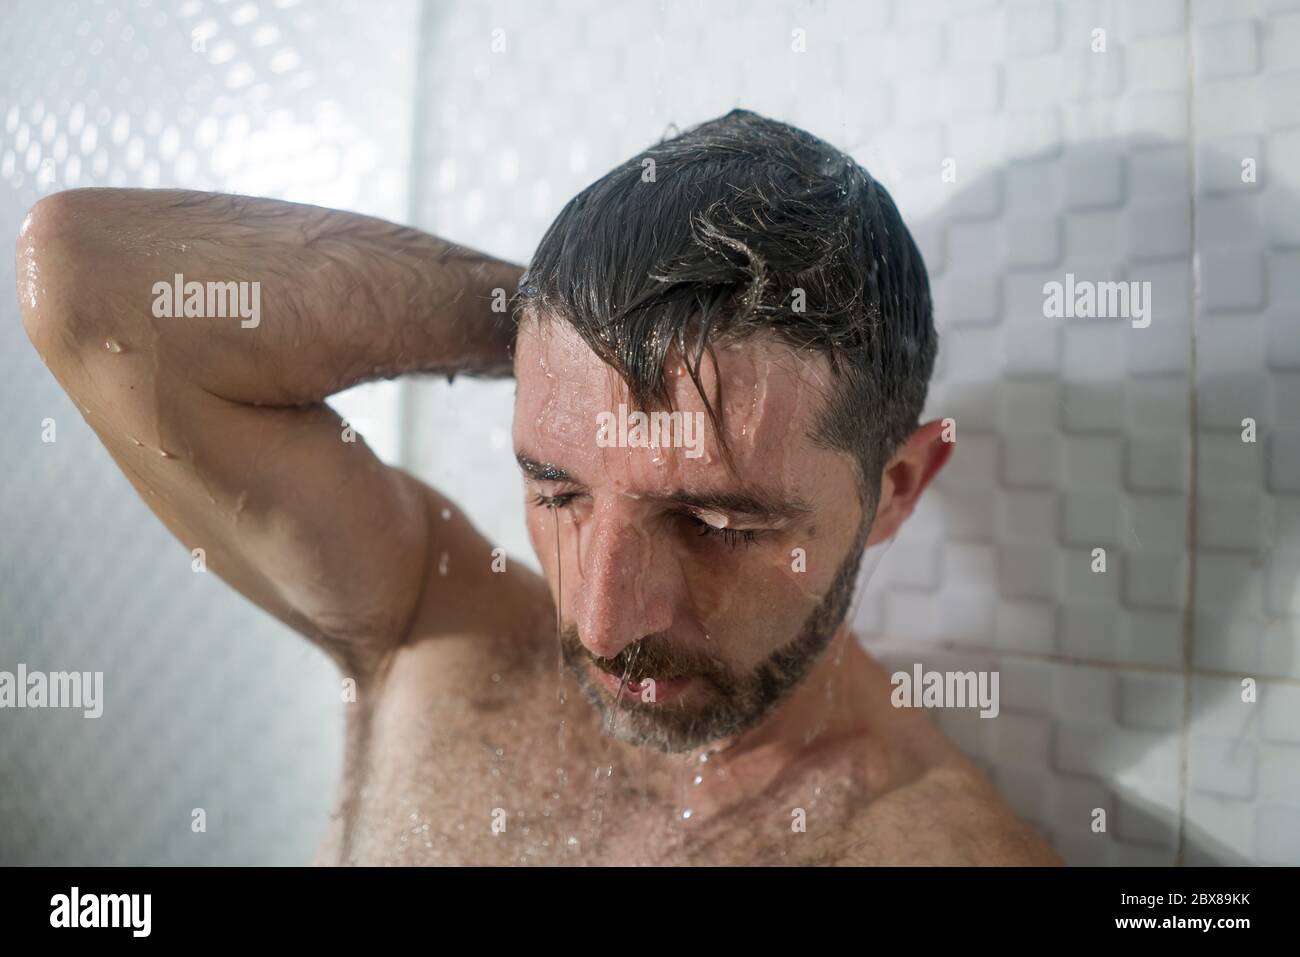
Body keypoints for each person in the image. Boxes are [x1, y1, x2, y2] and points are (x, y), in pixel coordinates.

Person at [16, 109, 1060, 865]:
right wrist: (546, 324)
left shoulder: (935, 850)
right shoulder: (438, 630)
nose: (602, 622)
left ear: (896, 489)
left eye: (713, 521)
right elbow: (81, 275)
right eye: (557, 491)